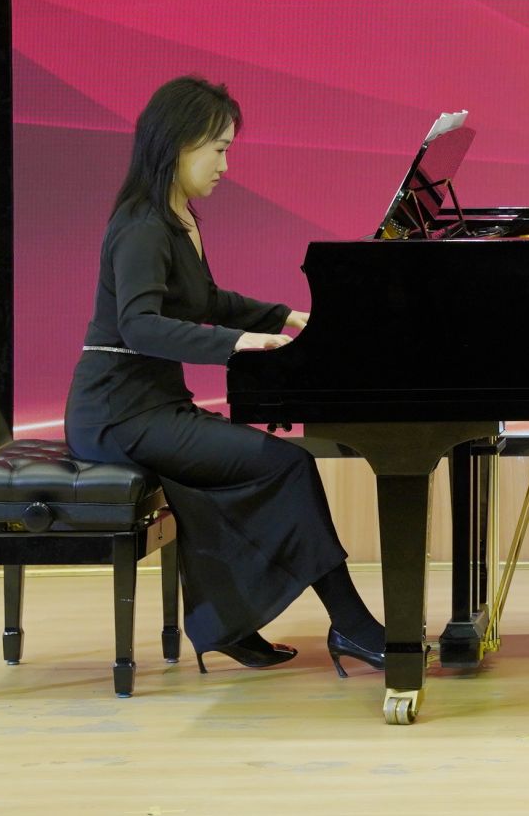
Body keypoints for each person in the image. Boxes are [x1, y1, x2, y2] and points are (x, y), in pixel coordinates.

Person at [64, 76, 388, 676]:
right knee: (286, 465)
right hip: (117, 414)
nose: (225, 165)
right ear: (178, 144)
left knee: (258, 471)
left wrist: (287, 316)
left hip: (152, 405)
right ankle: (351, 622)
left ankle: (228, 622)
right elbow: (139, 325)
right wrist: (237, 343)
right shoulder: (141, 226)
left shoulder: (178, 218)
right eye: (217, 149)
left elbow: (207, 300)